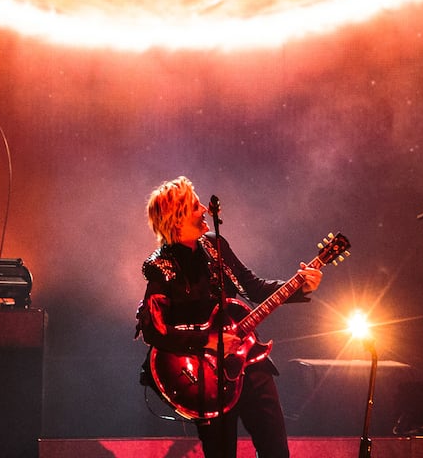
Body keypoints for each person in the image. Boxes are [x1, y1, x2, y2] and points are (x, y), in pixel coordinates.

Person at [136, 176, 322, 458]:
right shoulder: (160, 267)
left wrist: (300, 285)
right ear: (177, 219)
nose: (203, 209)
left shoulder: (215, 245)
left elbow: (254, 288)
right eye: (194, 205)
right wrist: (207, 341)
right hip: (205, 379)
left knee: (276, 451)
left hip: (250, 364)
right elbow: (155, 332)